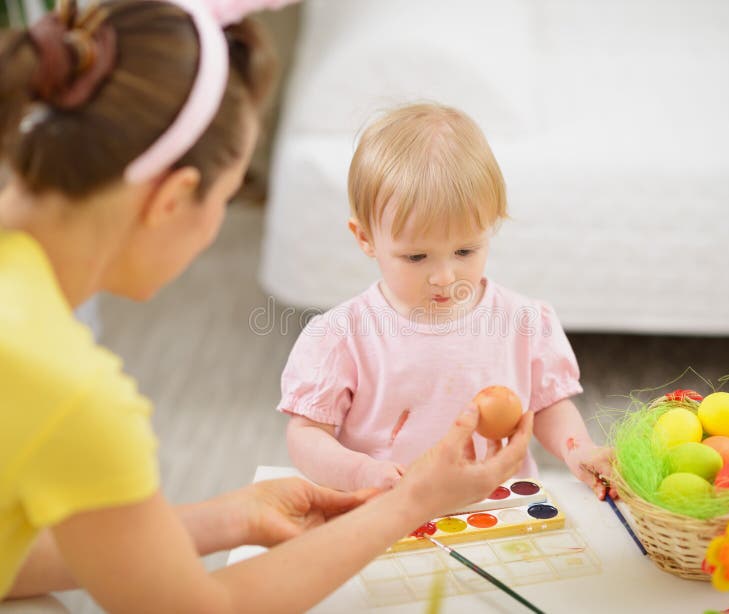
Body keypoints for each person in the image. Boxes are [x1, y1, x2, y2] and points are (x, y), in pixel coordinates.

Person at [0, 2, 533, 611]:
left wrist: (229, 516)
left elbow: (12, 555)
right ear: (175, 200)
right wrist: (412, 502)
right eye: (228, 197)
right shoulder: (70, 389)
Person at [282, 102, 616, 498]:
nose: (444, 277)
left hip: (497, 510)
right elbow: (305, 435)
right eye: (416, 257)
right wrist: (359, 473)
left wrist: (577, 450)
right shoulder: (342, 337)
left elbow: (547, 407)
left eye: (465, 252)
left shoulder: (522, 322)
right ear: (365, 238)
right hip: (387, 513)